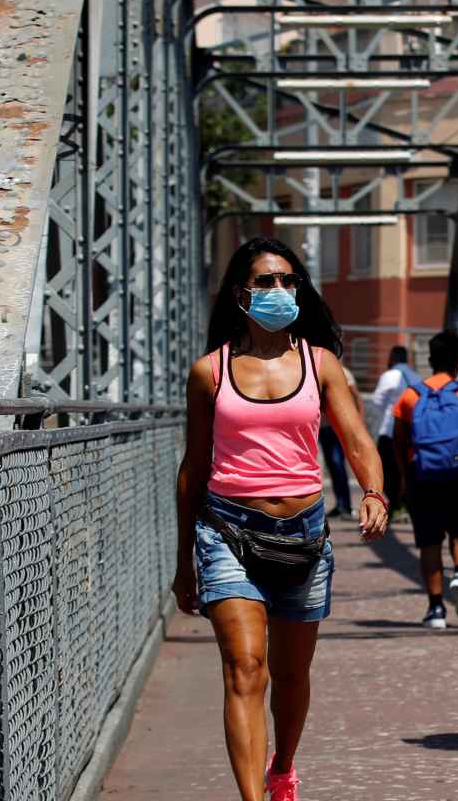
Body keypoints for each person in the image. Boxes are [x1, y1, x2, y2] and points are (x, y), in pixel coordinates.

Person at [171, 237, 389, 801]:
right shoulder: (208, 372)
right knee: (246, 667)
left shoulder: (321, 365)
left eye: (288, 281)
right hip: (227, 534)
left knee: (291, 680)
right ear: (240, 292)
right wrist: (182, 564)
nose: (278, 291)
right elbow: (193, 469)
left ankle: (283, 765)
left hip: (304, 538)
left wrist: (375, 492)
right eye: (265, 282)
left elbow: (358, 439)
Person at [392, 329, 458, 629]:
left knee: (428, 541)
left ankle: (436, 609)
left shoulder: (411, 396)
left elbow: (397, 440)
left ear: (430, 359)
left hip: (422, 476)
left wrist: (402, 476)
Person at [370, 345, 413, 514]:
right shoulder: (415, 376)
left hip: (389, 430)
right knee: (404, 469)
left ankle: (394, 504)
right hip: (411, 432)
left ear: (393, 358)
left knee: (387, 469)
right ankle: (403, 504)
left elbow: (377, 402)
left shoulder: (389, 375)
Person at [318, 365, 357, 516]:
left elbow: (355, 396)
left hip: (338, 427)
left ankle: (345, 505)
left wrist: (357, 420)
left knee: (337, 463)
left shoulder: (343, 372)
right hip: (324, 427)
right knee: (332, 466)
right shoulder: (316, 367)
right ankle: (340, 503)